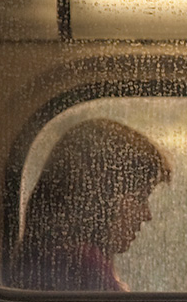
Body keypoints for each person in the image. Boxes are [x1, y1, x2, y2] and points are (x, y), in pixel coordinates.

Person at [9, 118, 171, 291]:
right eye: (140, 198)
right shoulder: (80, 263)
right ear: (105, 196)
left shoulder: (46, 256)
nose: (147, 215)